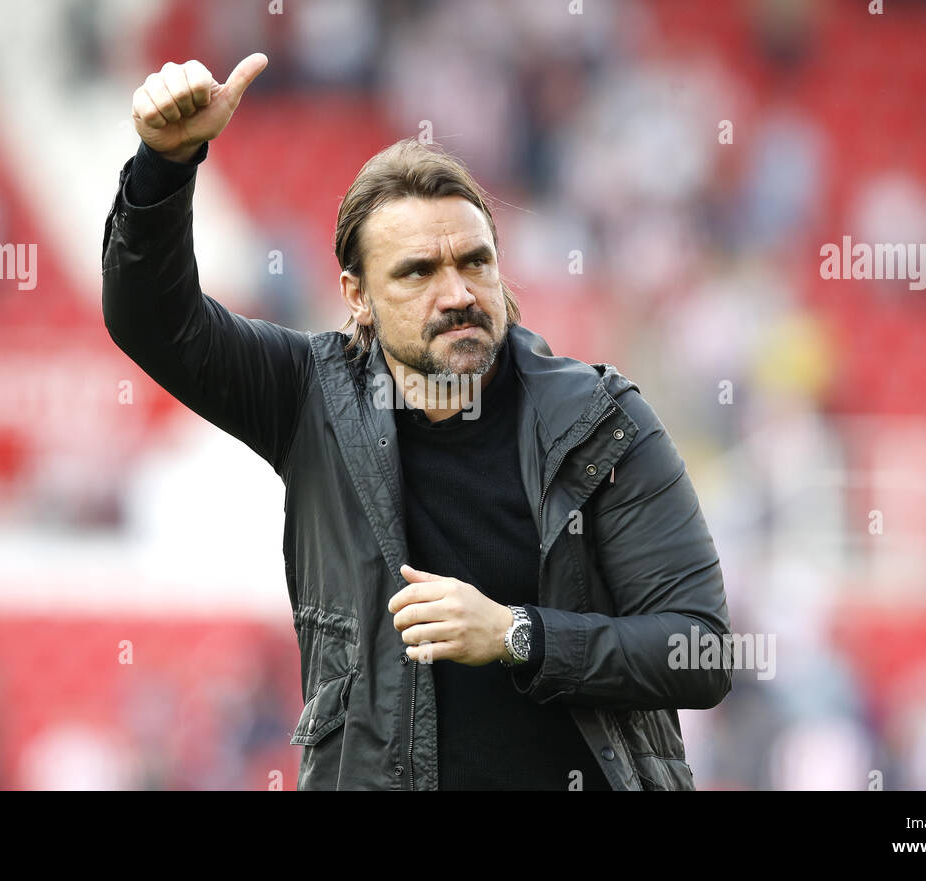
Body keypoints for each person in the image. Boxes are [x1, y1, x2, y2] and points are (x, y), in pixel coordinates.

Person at [102, 54, 733, 790]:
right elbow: (152, 321)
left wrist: (515, 633)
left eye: (476, 262)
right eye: (417, 272)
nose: (458, 292)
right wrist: (164, 164)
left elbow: (702, 650)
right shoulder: (308, 397)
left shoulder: (602, 422)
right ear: (356, 294)